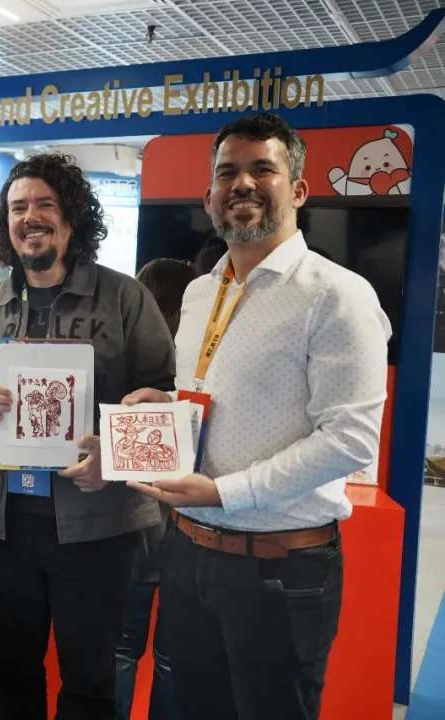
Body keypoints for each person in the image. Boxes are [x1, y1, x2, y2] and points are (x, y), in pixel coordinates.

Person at [125, 112, 390, 719]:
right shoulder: (200, 292)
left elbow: (350, 439)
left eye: (261, 169)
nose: (241, 183)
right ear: (209, 198)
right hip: (188, 553)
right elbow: (214, 399)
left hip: (279, 569)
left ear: (297, 190)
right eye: (227, 173)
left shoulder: (336, 294)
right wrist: (168, 407)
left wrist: (225, 492)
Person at [0, 152, 176, 719]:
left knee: (89, 679)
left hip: (97, 527)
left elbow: (164, 403)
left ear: (72, 216)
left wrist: (114, 455)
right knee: (12, 670)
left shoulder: (124, 299)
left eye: (45, 204)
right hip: (5, 526)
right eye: (17, 208)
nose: (30, 217)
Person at [114, 259, 196, 720]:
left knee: (122, 649)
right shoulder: (197, 367)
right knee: (174, 656)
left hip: (132, 525)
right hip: (194, 526)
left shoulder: (129, 359)